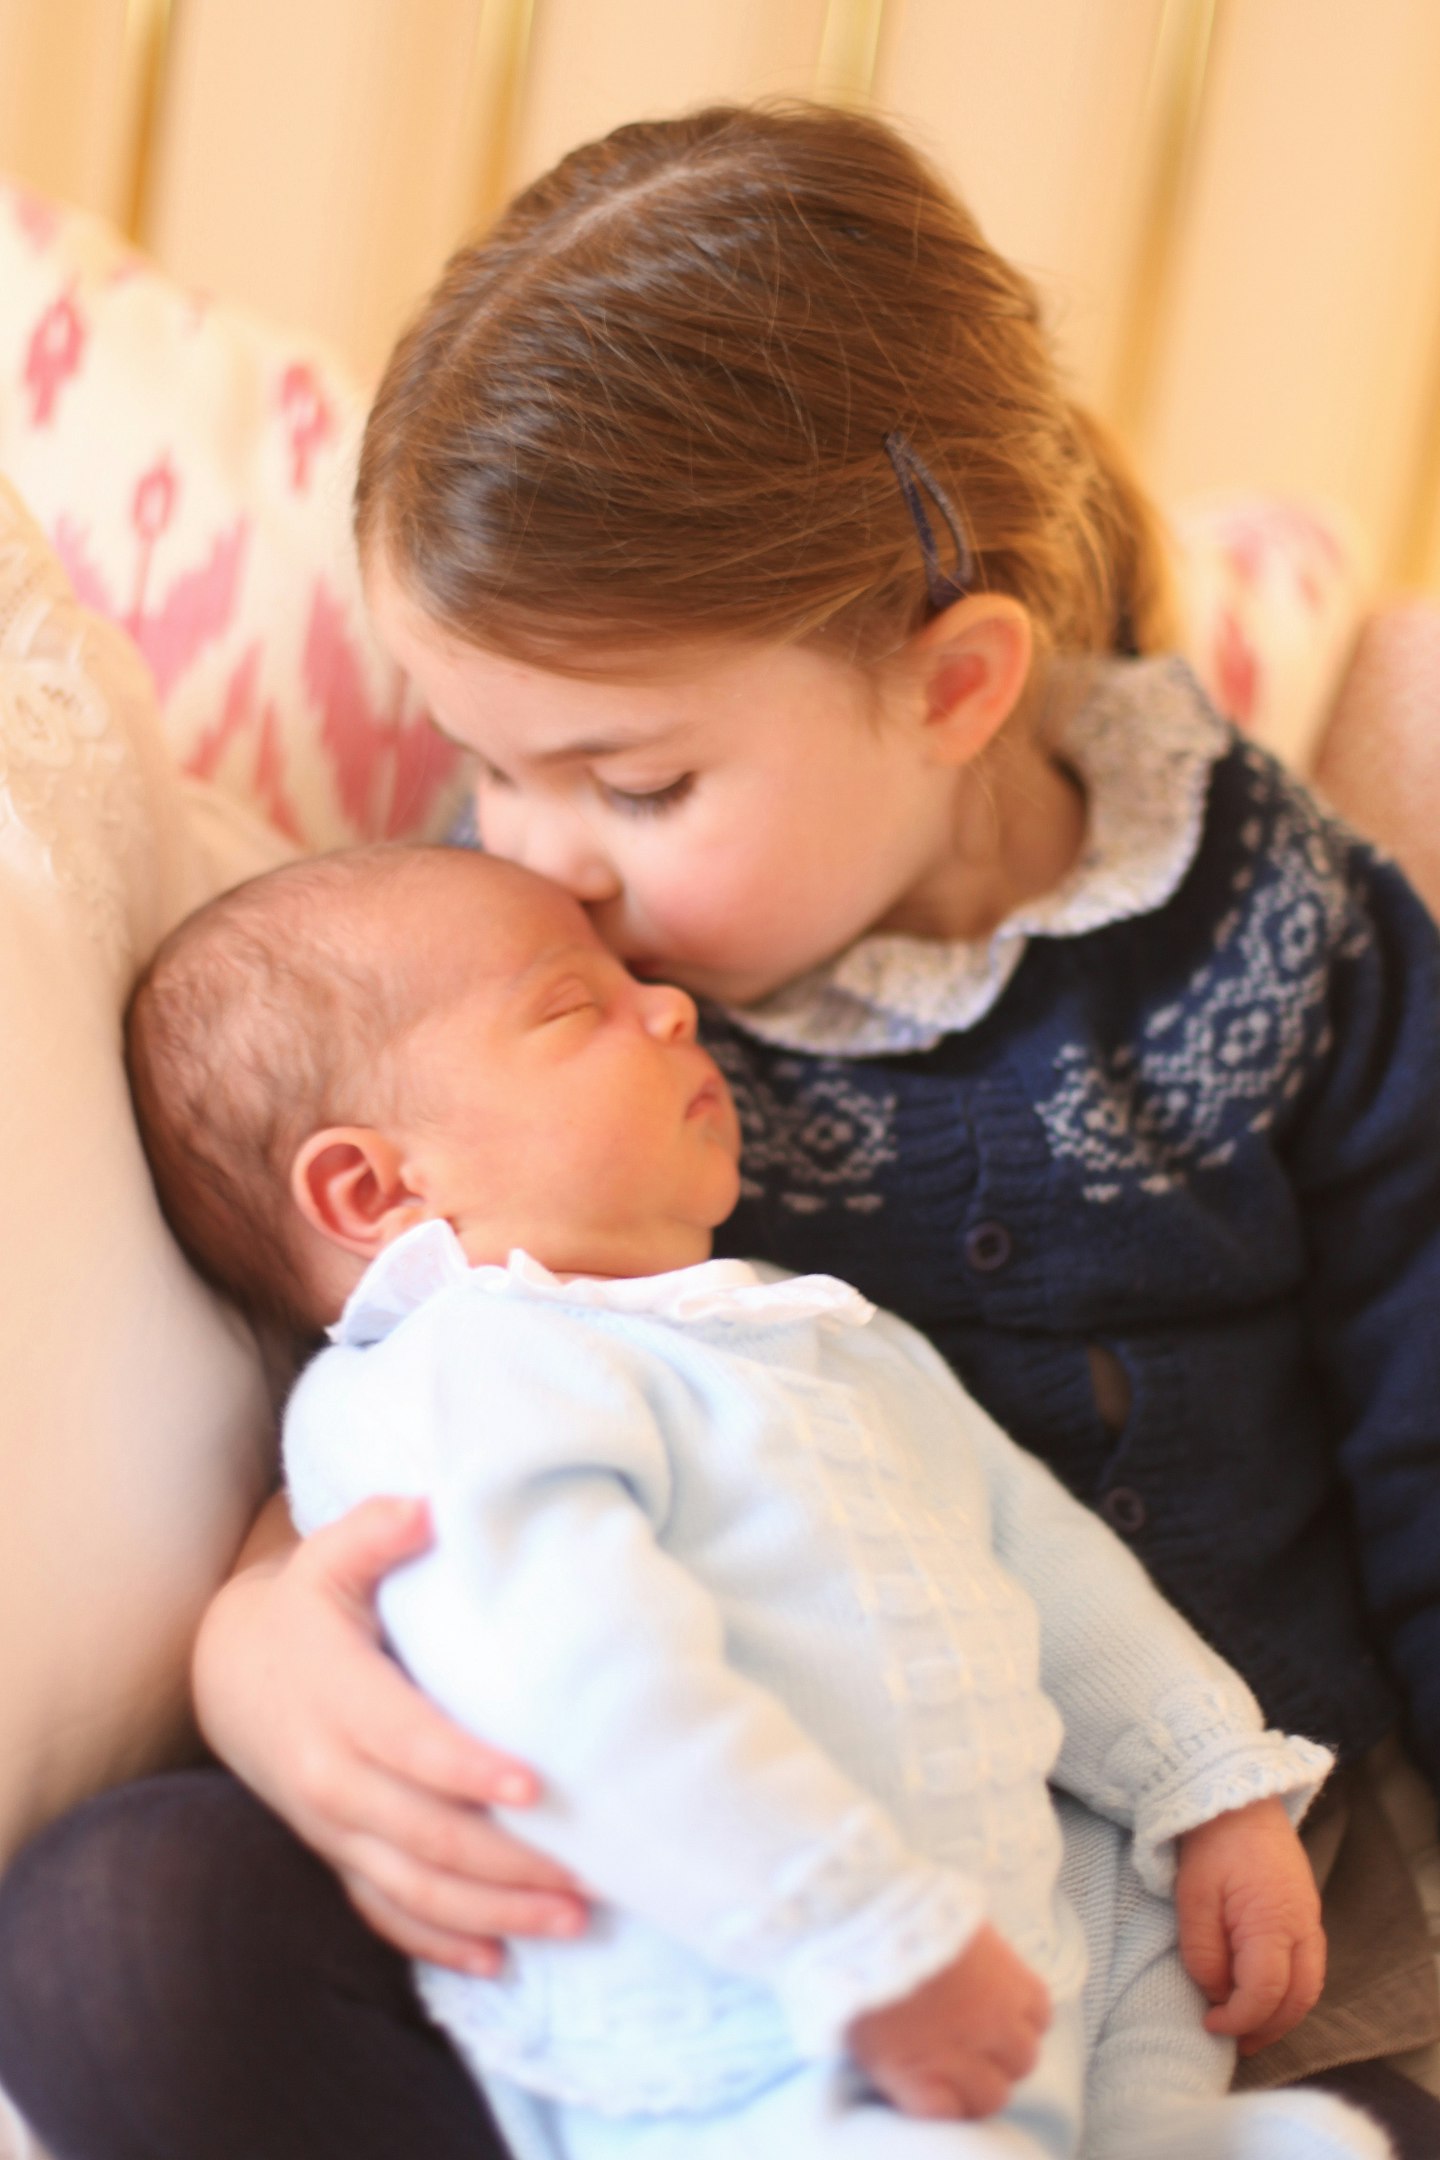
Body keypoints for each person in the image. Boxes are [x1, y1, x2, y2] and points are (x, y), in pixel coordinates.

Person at [0, 97, 1437, 2160]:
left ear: (955, 686)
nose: (540, 862)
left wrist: (1238, 1795)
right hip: (683, 1839)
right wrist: (253, 1653)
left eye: (633, 782)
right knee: (119, 1936)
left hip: (1187, 1895)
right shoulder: (519, 962)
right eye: (486, 770)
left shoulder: (1293, 943)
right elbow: (389, 1361)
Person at [121, 839, 1380, 2160]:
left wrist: (1205, 1782)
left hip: (1015, 1964)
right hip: (762, 2029)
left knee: (1169, 1982)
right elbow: (581, 1688)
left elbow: (1042, 1562)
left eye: (634, 981)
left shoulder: (824, 1335)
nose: (671, 1009)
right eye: (573, 1007)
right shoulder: (460, 1374)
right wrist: (860, 1936)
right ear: (375, 1189)